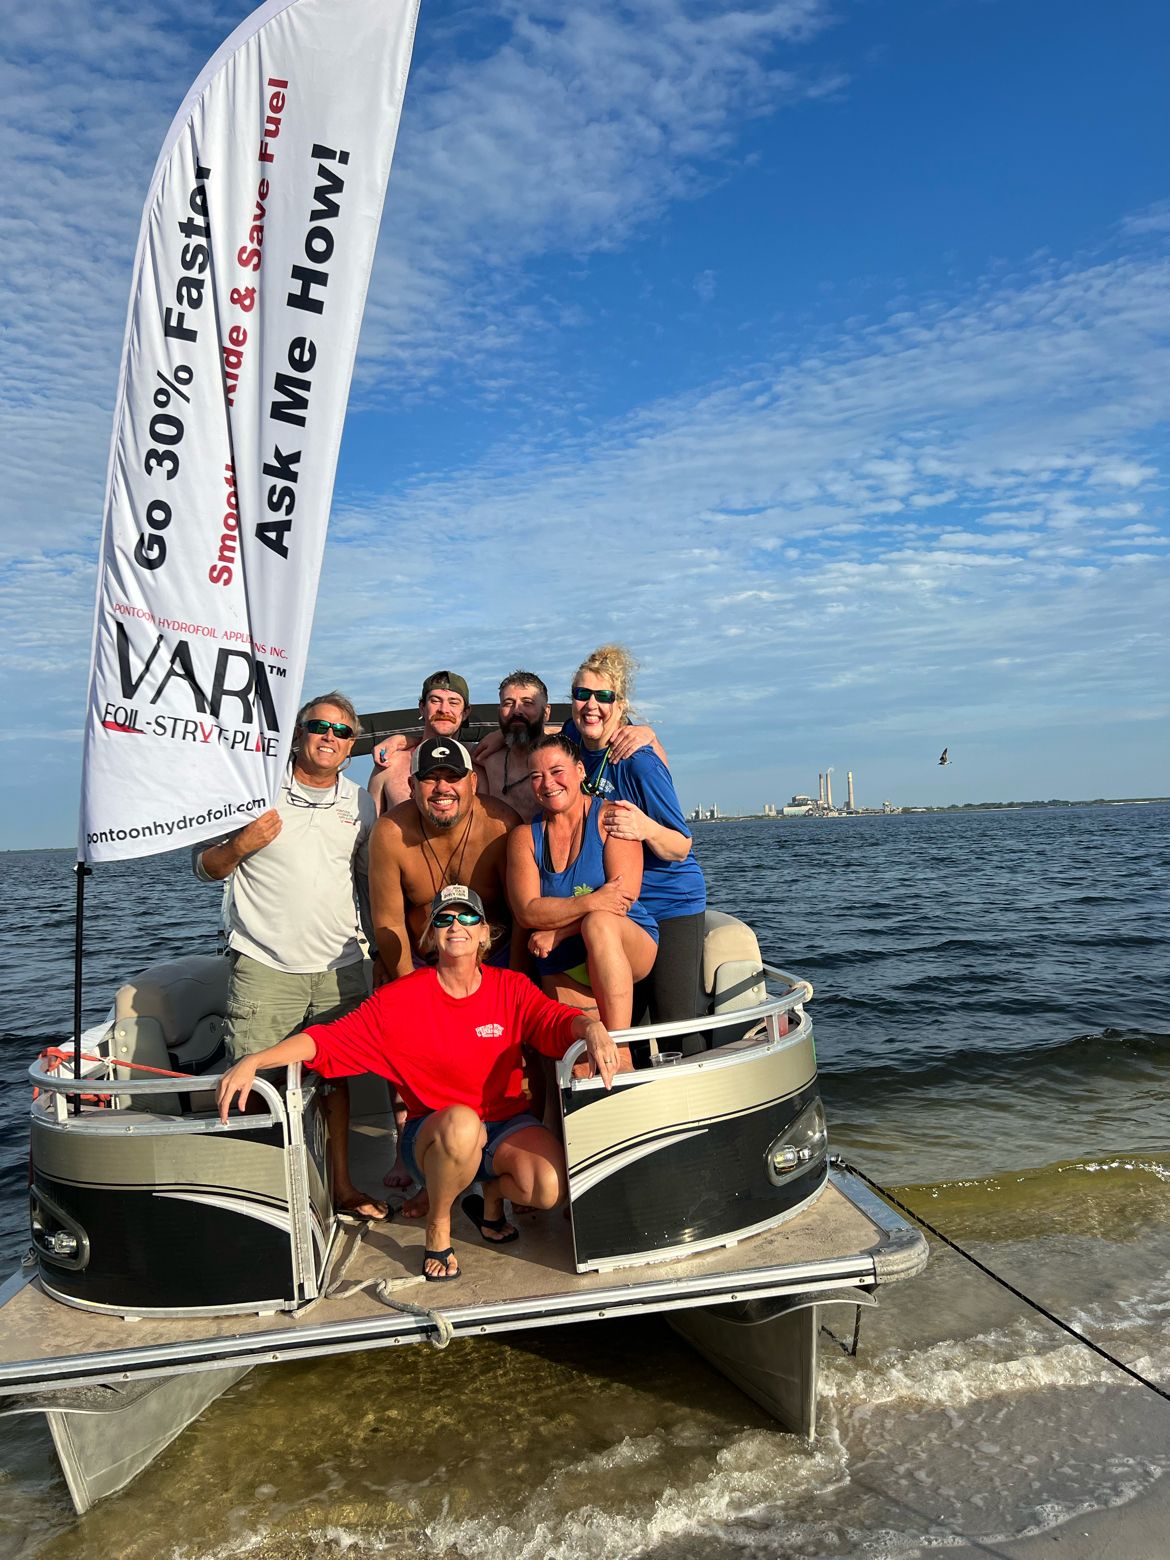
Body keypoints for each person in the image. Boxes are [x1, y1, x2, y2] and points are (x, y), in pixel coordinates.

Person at [216, 885, 621, 1282]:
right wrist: (256, 1059)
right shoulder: (400, 999)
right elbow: (328, 1039)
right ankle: (438, 1223)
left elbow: (552, 1021)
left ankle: (492, 1194)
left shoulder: (510, 987)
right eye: (444, 918)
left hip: (502, 1126)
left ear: (484, 933)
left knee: (549, 1187)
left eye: (468, 916)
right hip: (434, 1137)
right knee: (463, 1124)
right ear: (430, 937)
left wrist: (591, 1027)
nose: (456, 924)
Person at [194, 692, 386, 1220]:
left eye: (342, 732)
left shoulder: (359, 803)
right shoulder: (254, 794)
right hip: (264, 968)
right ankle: (261, 1201)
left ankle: (342, 1187)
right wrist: (241, 845)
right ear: (299, 734)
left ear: (351, 748)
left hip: (340, 968)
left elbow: (367, 882)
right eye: (320, 727)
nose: (330, 737)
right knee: (251, 1086)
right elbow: (204, 867)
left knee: (334, 1083)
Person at [561, 646, 708, 1054]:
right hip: (625, 904)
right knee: (631, 1018)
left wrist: (644, 827)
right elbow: (527, 740)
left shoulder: (639, 761)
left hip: (670, 900)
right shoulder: (573, 741)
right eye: (581, 694)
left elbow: (681, 845)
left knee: (674, 1020)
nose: (591, 705)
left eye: (603, 697)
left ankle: (696, 1104)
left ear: (620, 706)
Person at [507, 733, 658, 1030]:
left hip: (625, 945)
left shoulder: (612, 819)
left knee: (598, 923)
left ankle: (618, 1043)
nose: (548, 783)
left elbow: (621, 900)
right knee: (577, 1061)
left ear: (579, 771)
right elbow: (527, 912)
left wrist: (559, 932)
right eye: (536, 776)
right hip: (561, 960)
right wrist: (591, 900)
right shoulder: (524, 837)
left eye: (556, 771)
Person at [368, 670, 472, 816]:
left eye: (453, 702)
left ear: (466, 712)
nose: (444, 709)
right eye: (435, 701)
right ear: (422, 708)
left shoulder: (477, 759)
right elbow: (370, 828)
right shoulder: (389, 764)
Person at [475, 671, 552, 824]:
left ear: (547, 712)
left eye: (527, 703)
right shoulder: (487, 758)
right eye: (508, 703)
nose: (517, 710)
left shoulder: (563, 754)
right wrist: (412, 740)